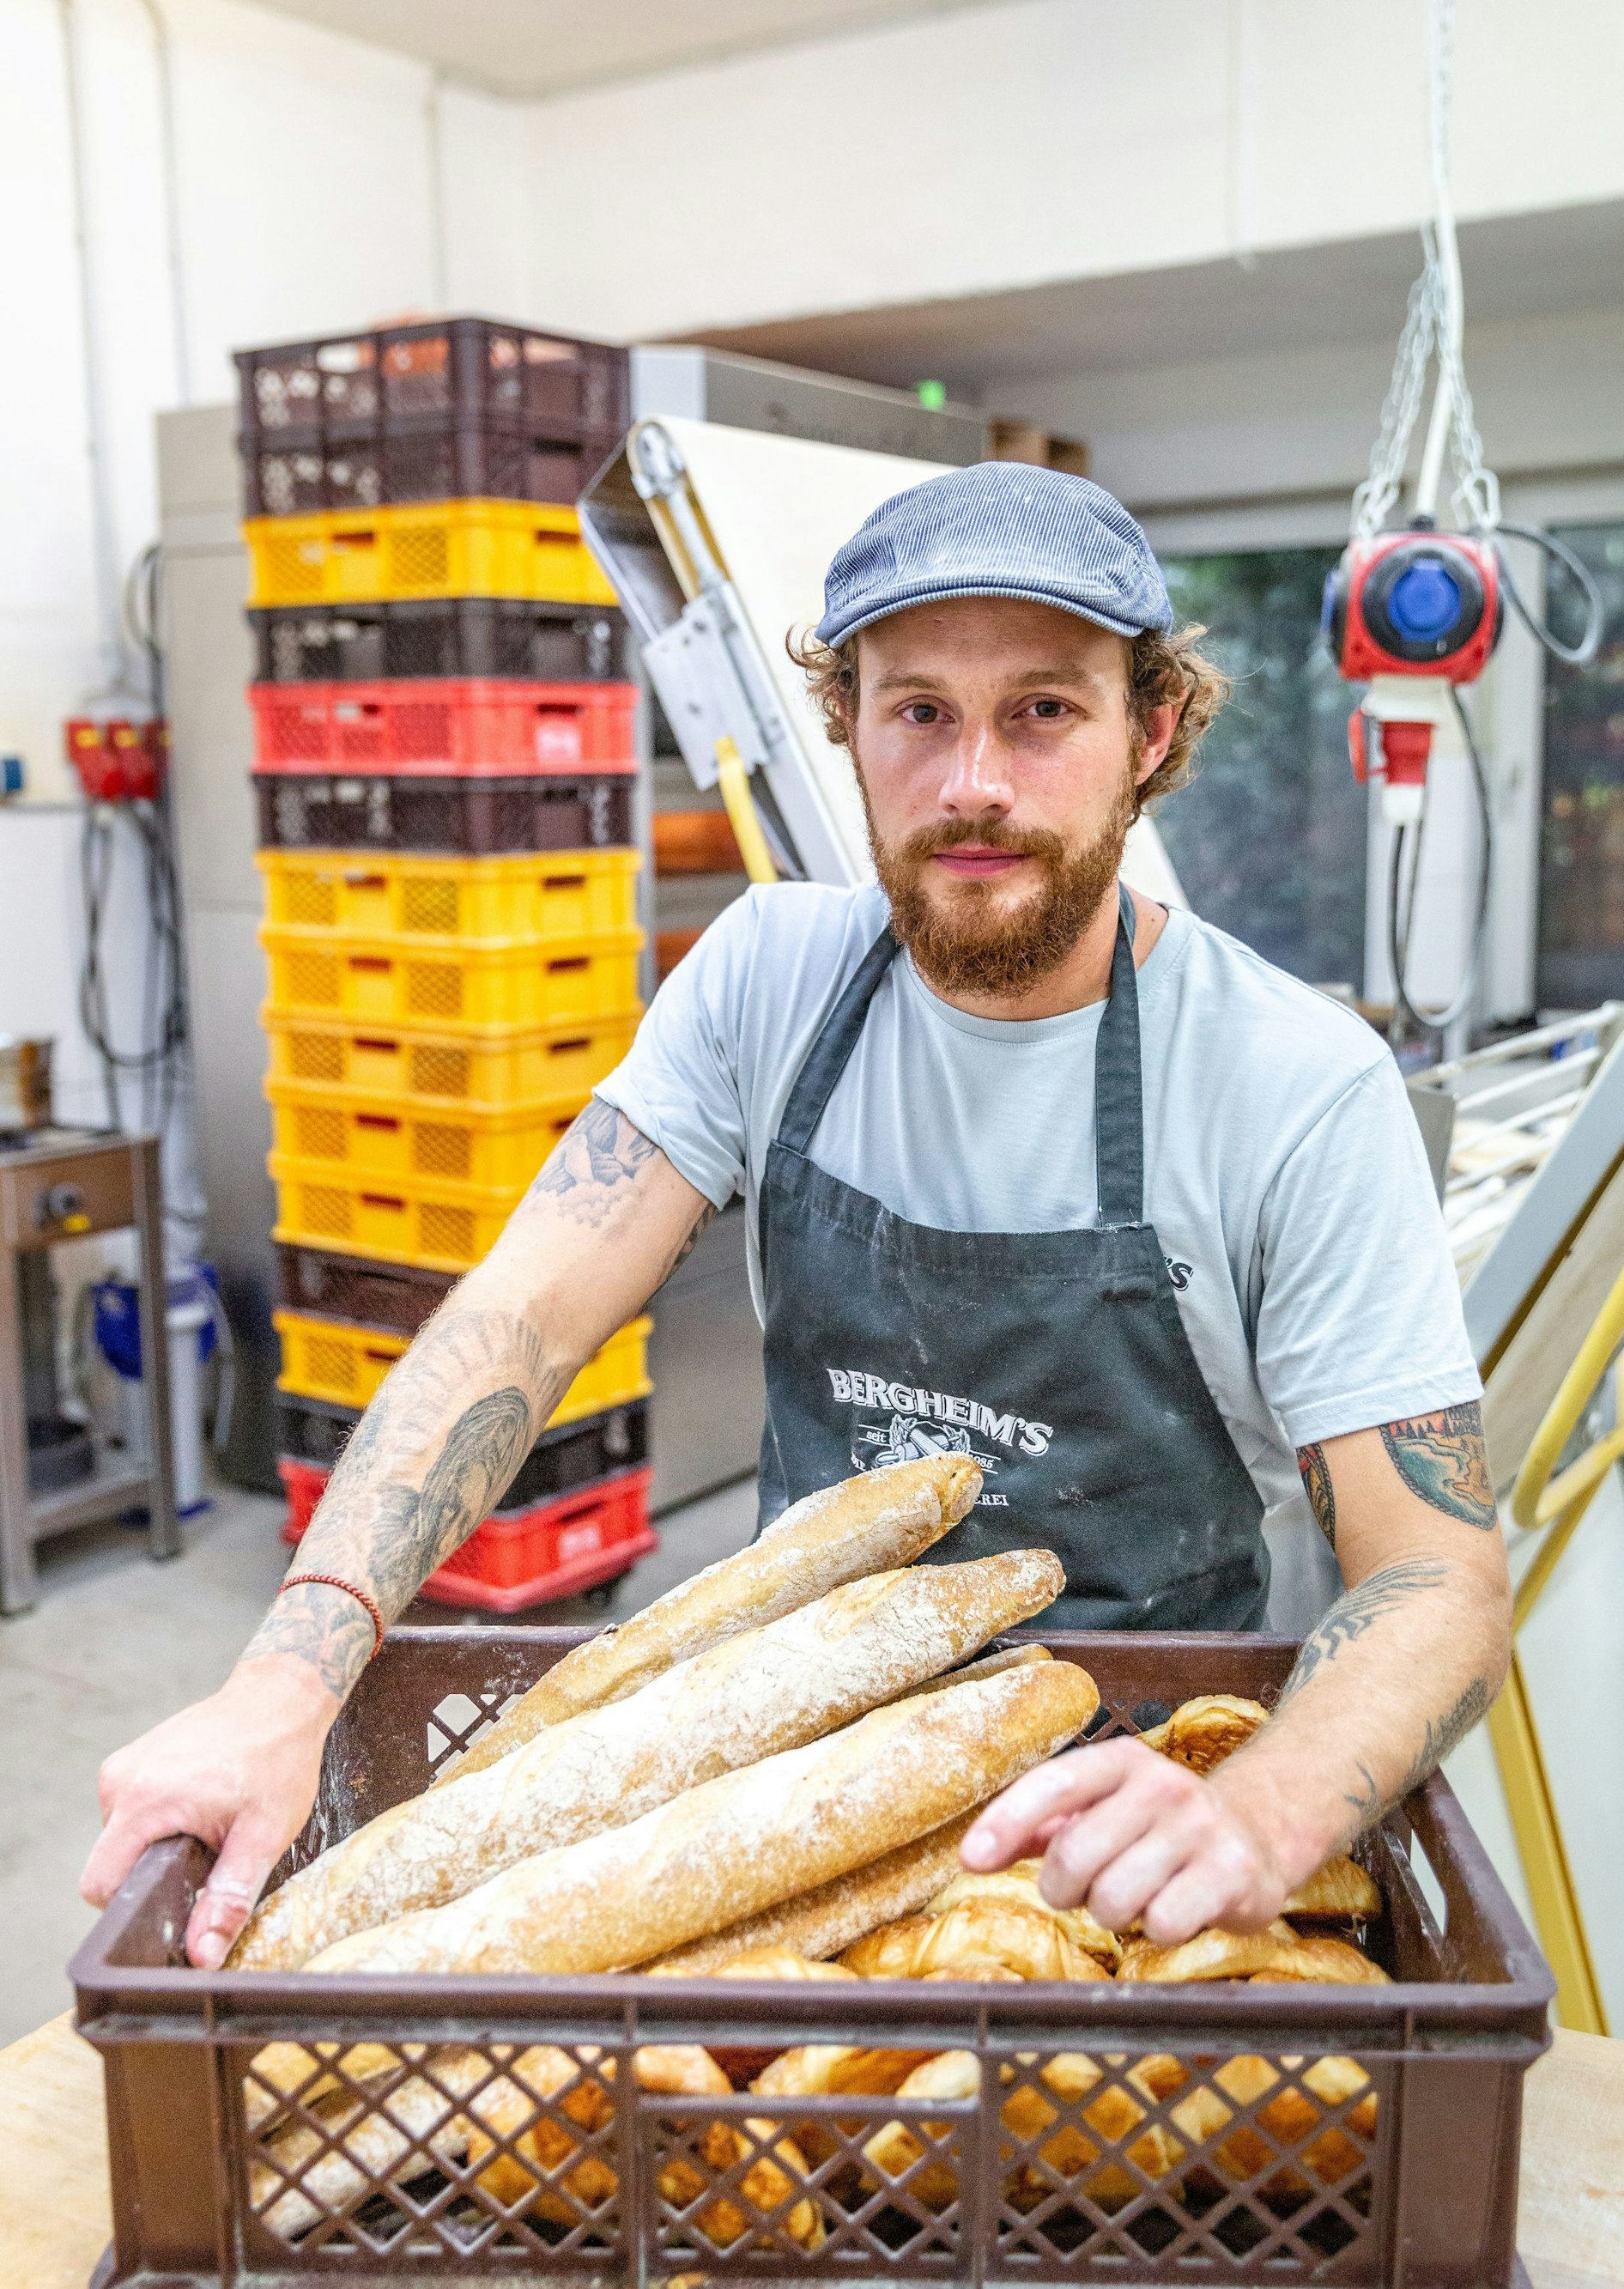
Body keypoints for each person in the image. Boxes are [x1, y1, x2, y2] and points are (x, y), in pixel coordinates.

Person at [82, 464, 1510, 1967]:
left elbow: (1435, 1573)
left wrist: (1267, 1807)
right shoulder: (769, 978)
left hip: (1136, 1828)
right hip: (789, 1796)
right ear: (846, 729)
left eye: (1043, 710)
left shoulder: (1294, 1080)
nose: (974, 782)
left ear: (1150, 732)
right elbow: (525, 1312)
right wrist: (287, 1678)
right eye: (917, 713)